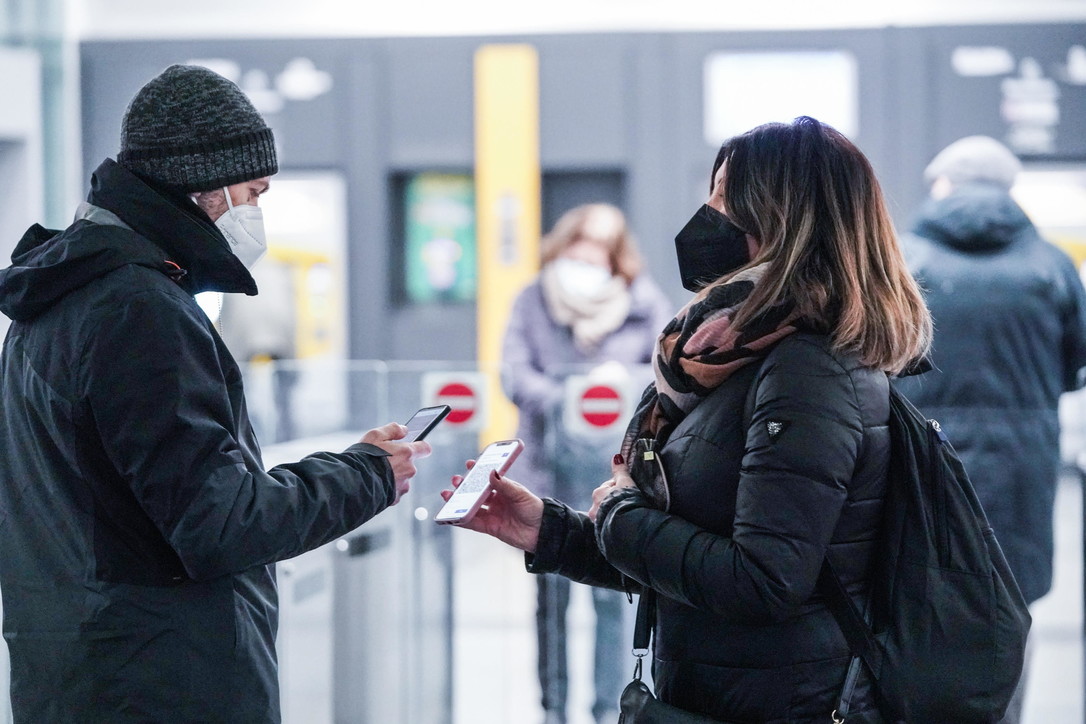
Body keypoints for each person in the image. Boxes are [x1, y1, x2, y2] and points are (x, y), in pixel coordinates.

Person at [445, 116, 933, 723]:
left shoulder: (807, 373)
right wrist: (551, 532)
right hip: (729, 691)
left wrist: (622, 513)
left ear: (774, 219)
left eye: (723, 199)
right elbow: (701, 555)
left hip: (776, 701)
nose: (705, 216)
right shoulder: (732, 354)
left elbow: (761, 582)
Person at [0, 64, 430, 723]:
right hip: (164, 687)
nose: (258, 211)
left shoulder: (50, 302)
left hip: (72, 677)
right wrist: (367, 474)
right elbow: (221, 524)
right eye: (254, 190)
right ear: (205, 183)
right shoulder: (141, 312)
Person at [894, 135, 1086, 723]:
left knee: (921, 597)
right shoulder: (1050, 266)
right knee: (1009, 604)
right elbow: (1076, 361)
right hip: (1020, 465)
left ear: (946, 184)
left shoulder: (906, 259)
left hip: (923, 455)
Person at [501, 203, 672, 724]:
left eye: (600, 246)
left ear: (617, 256)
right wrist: (566, 396)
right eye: (580, 242)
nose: (586, 255)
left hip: (613, 476)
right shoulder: (533, 299)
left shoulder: (644, 305)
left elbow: (665, 375)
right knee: (550, 603)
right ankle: (552, 708)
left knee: (610, 601)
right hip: (548, 471)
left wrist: (618, 388)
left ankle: (605, 709)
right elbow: (514, 373)